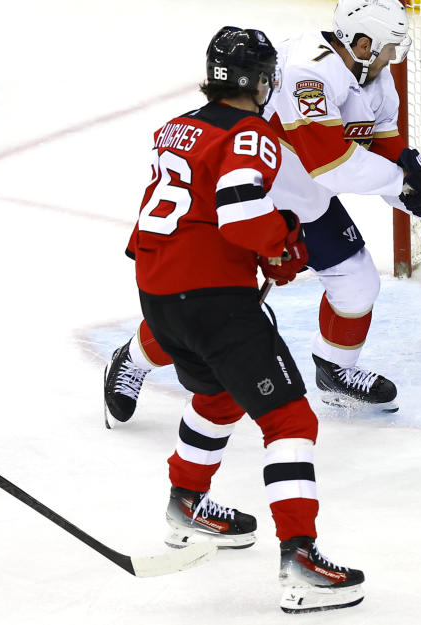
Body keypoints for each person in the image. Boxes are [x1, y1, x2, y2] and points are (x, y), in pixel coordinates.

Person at [104, 0, 421, 424]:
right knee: (209, 313)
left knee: (357, 283)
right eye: (390, 46)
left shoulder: (376, 78)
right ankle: (132, 358)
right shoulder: (307, 73)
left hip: (303, 201)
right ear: (364, 42)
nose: (395, 56)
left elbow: (388, 158)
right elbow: (334, 165)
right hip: (246, 201)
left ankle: (336, 372)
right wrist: (404, 182)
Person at [130, 26, 366, 613]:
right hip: (214, 300)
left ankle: (186, 504)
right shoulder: (251, 133)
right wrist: (281, 244)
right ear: (258, 82)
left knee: (217, 395)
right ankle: (301, 559)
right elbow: (239, 213)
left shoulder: (176, 127)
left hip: (158, 294)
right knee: (290, 419)